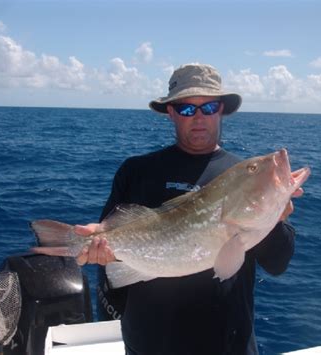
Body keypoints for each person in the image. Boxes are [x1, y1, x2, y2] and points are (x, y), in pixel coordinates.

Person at [75, 63, 303, 355]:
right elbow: (109, 242)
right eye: (186, 109)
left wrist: (275, 219)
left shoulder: (242, 174)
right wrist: (97, 242)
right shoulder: (135, 171)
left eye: (208, 107)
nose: (198, 118)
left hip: (228, 346)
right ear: (170, 112)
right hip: (148, 346)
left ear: (221, 110)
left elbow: (278, 263)